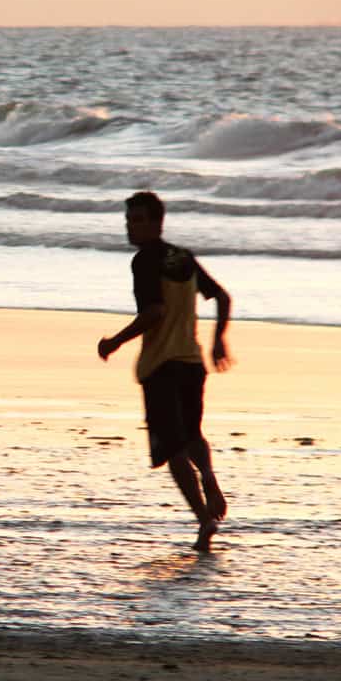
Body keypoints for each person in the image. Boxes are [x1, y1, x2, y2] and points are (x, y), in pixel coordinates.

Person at [97, 191, 232, 552]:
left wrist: (115, 342)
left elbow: (153, 312)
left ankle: (204, 519)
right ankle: (208, 476)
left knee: (172, 448)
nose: (131, 227)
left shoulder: (144, 261)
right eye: (129, 220)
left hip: (160, 366)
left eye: (138, 220)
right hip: (192, 362)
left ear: (157, 222)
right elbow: (222, 296)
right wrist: (219, 341)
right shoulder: (183, 258)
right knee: (192, 434)